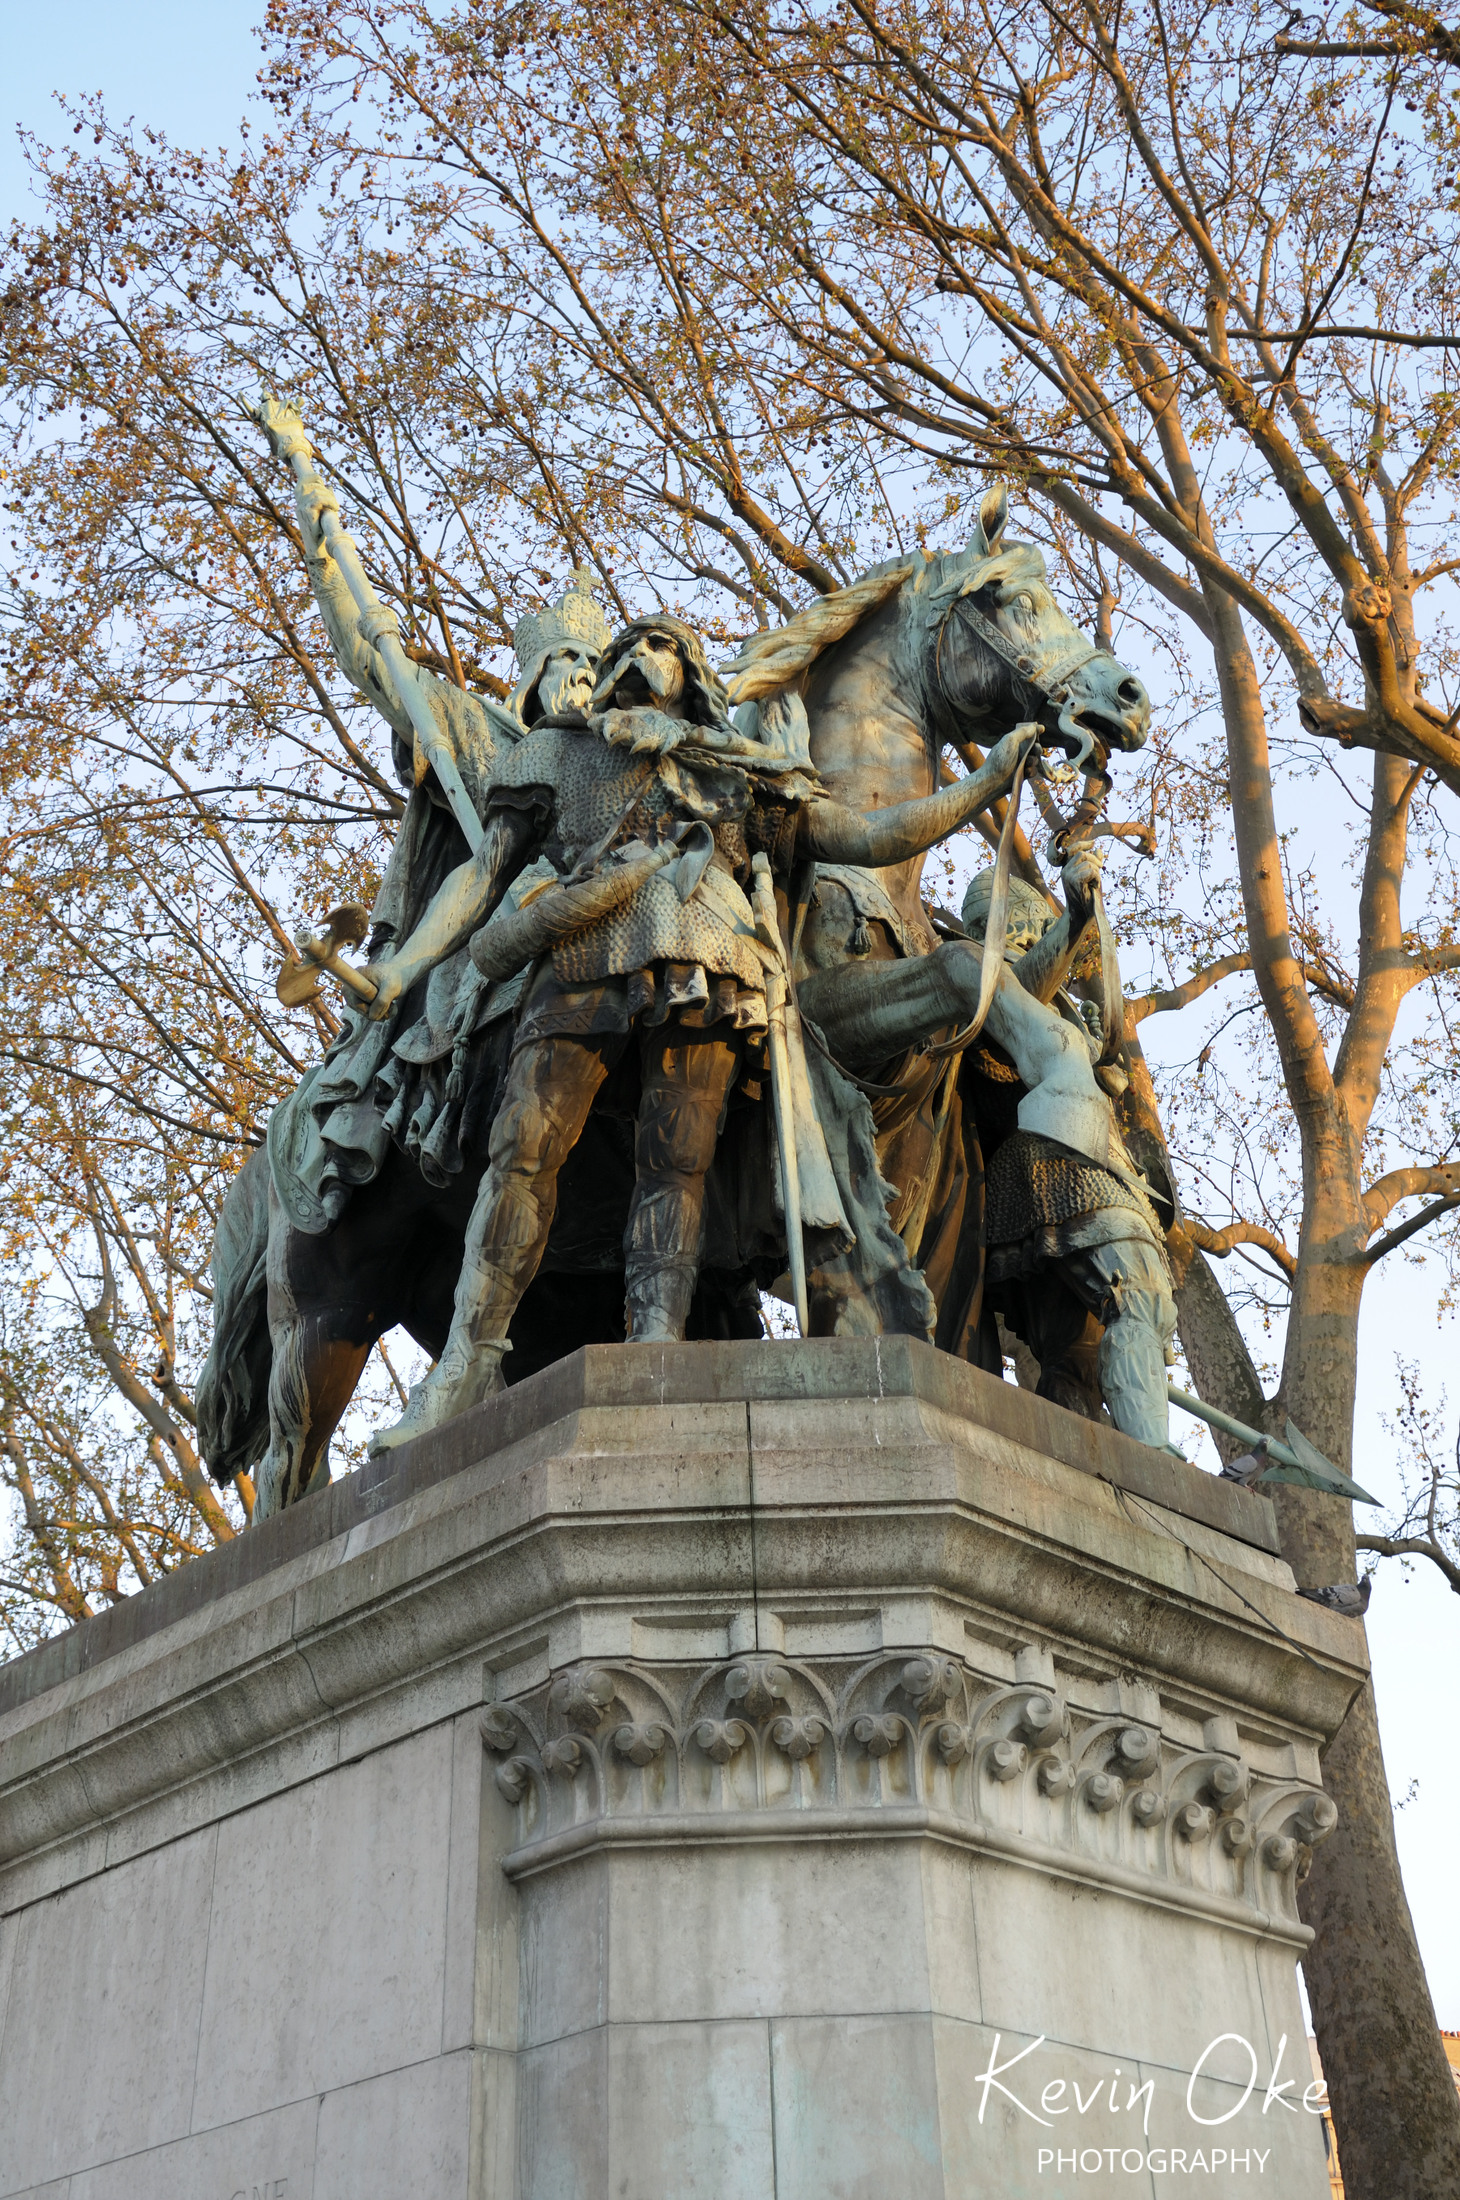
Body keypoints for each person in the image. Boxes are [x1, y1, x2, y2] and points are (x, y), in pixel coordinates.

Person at [362, 614, 1037, 1448]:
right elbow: (484, 873)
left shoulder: (737, 777)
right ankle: (467, 1357)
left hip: (711, 967)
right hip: (579, 952)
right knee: (523, 1146)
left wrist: (984, 786)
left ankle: (655, 1344)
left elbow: (863, 838)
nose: (645, 657)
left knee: (674, 1165)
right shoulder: (557, 753)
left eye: (665, 646)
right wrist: (401, 968)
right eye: (631, 648)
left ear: (693, 674)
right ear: (609, 673)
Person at [959, 870, 1178, 1450]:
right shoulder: (976, 975)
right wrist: (1077, 919)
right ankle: (1152, 1459)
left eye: (1032, 934)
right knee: (1140, 1295)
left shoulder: (1063, 1010)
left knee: (1077, 1360)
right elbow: (1014, 983)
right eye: (1019, 932)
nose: (1028, 945)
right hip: (1053, 1166)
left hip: (1080, 1167)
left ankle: (1085, 1473)